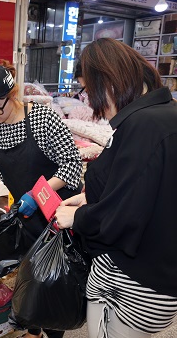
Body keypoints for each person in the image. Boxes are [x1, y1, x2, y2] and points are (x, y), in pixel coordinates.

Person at [55, 38, 177, 338]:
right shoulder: (167, 114)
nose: (91, 103)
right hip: (161, 278)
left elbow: (124, 216)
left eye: (88, 90)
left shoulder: (142, 125)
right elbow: (152, 189)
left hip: (133, 284)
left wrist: (78, 217)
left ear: (107, 81)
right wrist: (90, 197)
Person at [0, 63, 83, 338]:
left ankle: (54, 332)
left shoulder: (43, 119)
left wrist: (36, 193)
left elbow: (72, 165)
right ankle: (32, 331)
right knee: (29, 280)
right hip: (27, 217)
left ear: (14, 93)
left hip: (60, 216)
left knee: (55, 285)